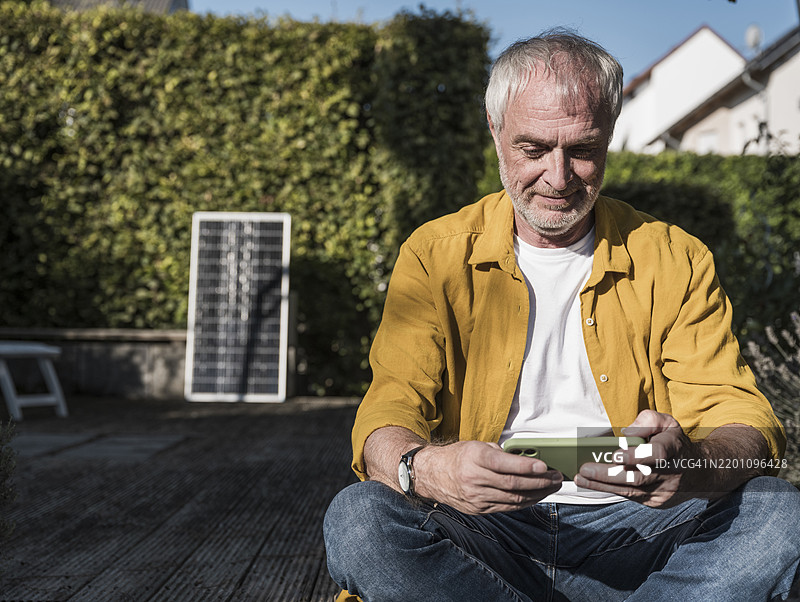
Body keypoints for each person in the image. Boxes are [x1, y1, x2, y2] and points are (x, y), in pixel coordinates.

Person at [323, 29, 800, 602]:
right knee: (359, 519)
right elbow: (389, 407)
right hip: (484, 532)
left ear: (610, 136)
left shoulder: (675, 257)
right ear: (495, 130)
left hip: (637, 531)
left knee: (780, 514)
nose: (558, 176)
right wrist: (425, 470)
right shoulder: (435, 254)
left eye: (582, 150)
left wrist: (693, 466)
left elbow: (745, 421)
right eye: (533, 149)